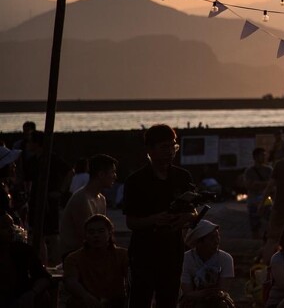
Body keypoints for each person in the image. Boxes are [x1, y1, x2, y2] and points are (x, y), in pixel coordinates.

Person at [122, 124, 197, 308]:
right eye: (165, 147)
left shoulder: (182, 177)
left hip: (173, 249)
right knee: (140, 299)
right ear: (150, 149)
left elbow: (193, 212)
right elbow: (131, 222)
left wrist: (185, 218)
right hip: (144, 251)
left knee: (169, 299)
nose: (170, 151)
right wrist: (155, 219)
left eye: (173, 146)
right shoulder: (136, 181)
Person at [20, 129, 71, 262]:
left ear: (37, 143)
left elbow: (69, 171)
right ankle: (42, 261)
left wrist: (60, 191)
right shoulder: (32, 160)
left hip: (49, 200)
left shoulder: (51, 158)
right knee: (36, 233)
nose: (27, 144)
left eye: (30, 141)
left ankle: (57, 262)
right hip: (35, 200)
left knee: (52, 234)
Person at [63, 213, 129, 308]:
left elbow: (132, 279)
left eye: (101, 231)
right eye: (91, 232)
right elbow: (71, 281)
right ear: (85, 235)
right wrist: (86, 296)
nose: (96, 235)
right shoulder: (74, 258)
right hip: (86, 301)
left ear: (110, 233)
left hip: (115, 302)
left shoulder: (122, 255)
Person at [60, 153, 118, 256]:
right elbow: (86, 236)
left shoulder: (101, 199)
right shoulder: (81, 199)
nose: (115, 176)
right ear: (101, 174)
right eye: (112, 172)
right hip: (75, 255)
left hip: (92, 252)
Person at [0, 211, 52, 307]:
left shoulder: (22, 250)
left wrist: (32, 293)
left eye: (12, 225)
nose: (11, 230)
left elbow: (43, 277)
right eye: (4, 227)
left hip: (20, 298)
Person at [180, 220, 235, 308]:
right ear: (199, 242)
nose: (216, 241)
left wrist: (214, 294)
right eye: (212, 238)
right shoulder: (186, 259)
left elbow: (223, 289)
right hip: (193, 300)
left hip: (218, 299)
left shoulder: (225, 258)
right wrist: (205, 293)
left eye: (217, 237)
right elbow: (188, 293)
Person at [243, 148, 273, 238]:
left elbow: (272, 185)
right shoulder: (249, 171)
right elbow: (249, 185)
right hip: (253, 199)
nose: (264, 157)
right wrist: (265, 184)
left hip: (267, 198)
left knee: (269, 218)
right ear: (255, 157)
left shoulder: (269, 170)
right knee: (254, 221)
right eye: (262, 155)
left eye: (265, 155)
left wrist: (257, 184)